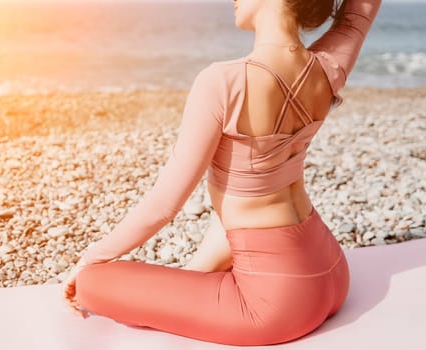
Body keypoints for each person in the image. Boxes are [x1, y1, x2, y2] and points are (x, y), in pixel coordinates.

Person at [62, 0, 382, 346]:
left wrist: (89, 259)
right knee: (238, 197)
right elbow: (359, 12)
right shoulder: (327, 67)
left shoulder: (222, 81)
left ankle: (181, 283)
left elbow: (164, 205)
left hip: (276, 304)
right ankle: (195, 275)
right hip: (332, 271)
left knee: (91, 283)